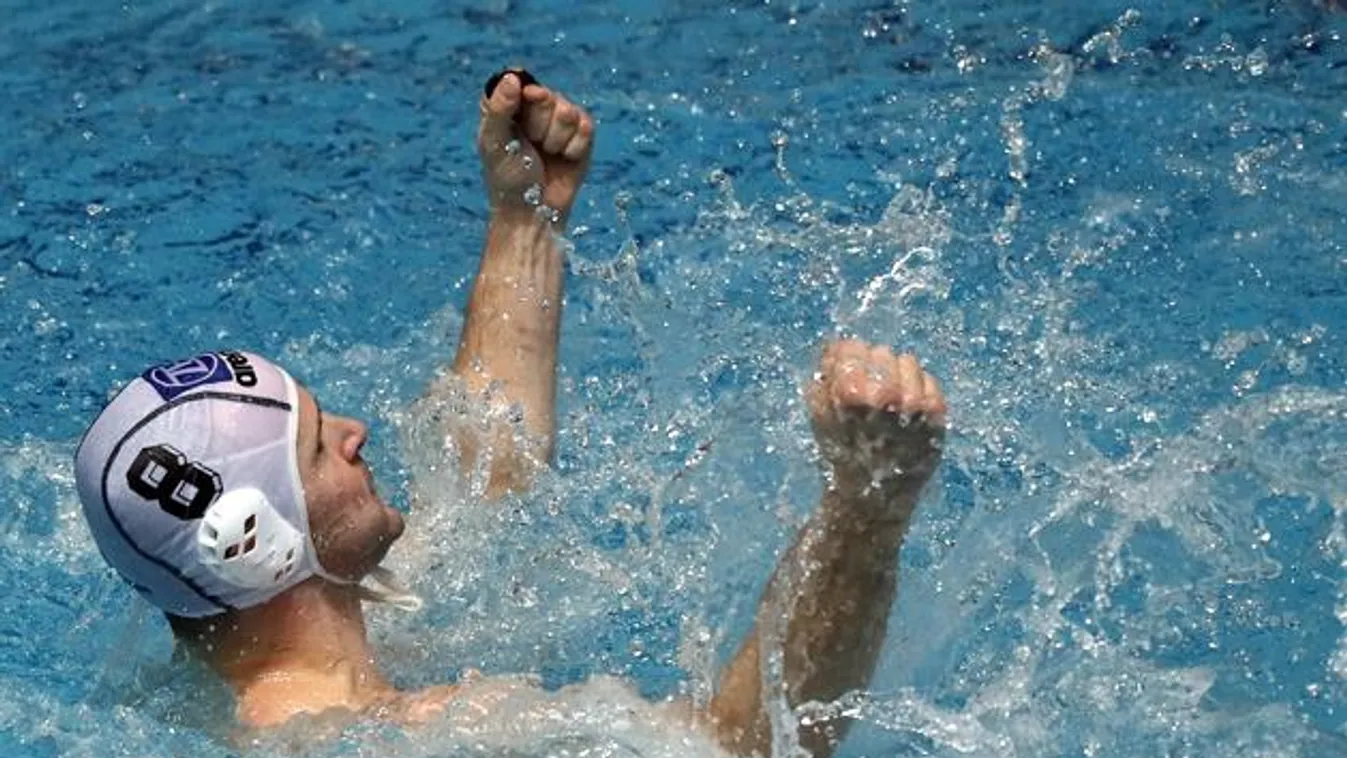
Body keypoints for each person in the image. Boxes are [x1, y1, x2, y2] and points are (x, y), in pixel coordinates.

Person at [72, 71, 947, 757]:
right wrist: (868, 499)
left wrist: (525, 219)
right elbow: (746, 748)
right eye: (314, 449)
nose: (353, 432)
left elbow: (485, 481)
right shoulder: (417, 738)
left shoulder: (237, 675)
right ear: (250, 540)